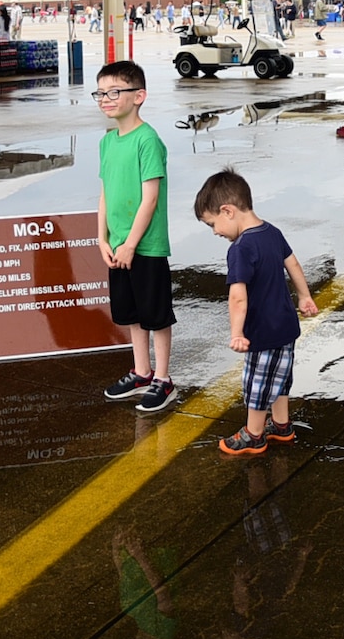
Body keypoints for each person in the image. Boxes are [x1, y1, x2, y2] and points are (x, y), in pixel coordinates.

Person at [194, 168, 320, 455]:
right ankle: (282, 425)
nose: (215, 232)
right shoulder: (272, 232)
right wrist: (304, 296)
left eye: (213, 224)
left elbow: (238, 297)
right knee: (281, 376)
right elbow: (294, 265)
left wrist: (237, 332)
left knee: (258, 382)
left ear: (228, 211)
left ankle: (254, 434)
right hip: (286, 325)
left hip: (262, 331)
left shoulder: (241, 247)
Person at [94, 61, 179, 413]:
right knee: (130, 314)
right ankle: (141, 372)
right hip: (117, 246)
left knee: (155, 314)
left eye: (114, 92)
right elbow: (105, 192)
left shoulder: (148, 140)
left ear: (138, 96)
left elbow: (150, 198)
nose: (105, 99)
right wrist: (102, 238)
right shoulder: (107, 141)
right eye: (100, 93)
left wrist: (130, 243)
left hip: (145, 247)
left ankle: (163, 378)